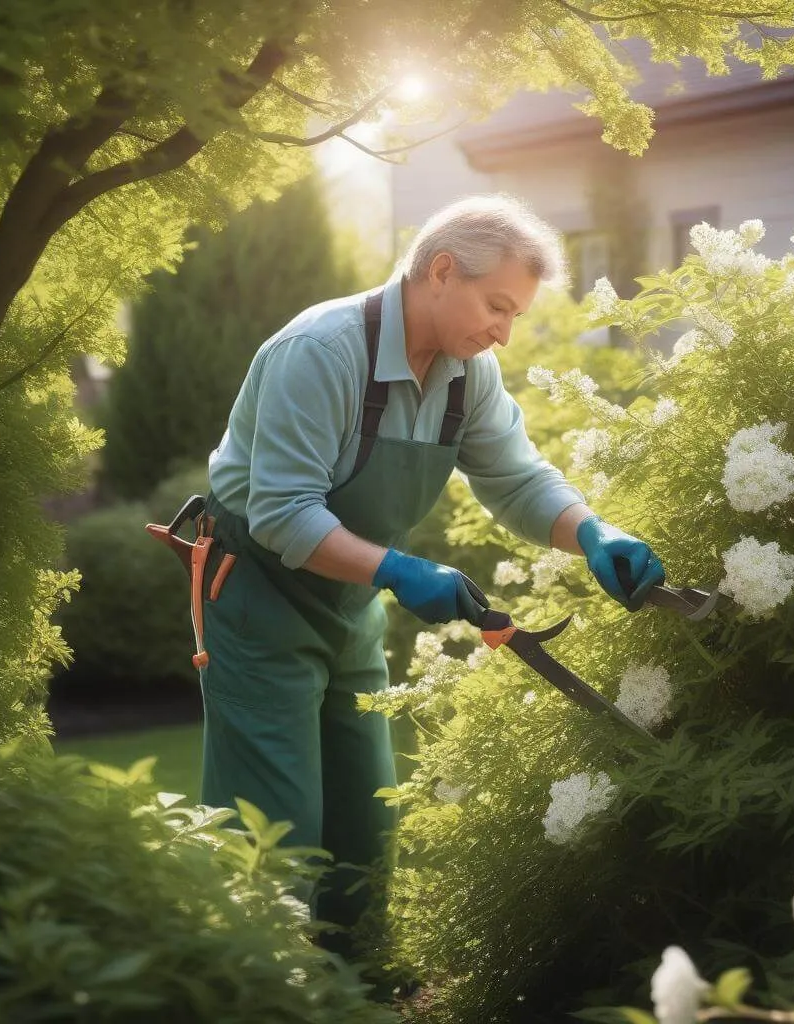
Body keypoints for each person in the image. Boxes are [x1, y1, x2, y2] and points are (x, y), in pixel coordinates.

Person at [198, 194, 665, 957]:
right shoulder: (320, 352)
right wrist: (400, 568)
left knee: (363, 827)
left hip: (352, 604)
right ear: (442, 271)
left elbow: (517, 481)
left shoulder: (466, 373)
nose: (504, 334)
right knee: (269, 835)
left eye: (515, 316)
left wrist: (594, 532)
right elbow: (281, 513)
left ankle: (359, 993)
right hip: (257, 598)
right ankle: (261, 994)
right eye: (497, 307)